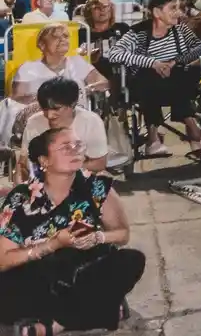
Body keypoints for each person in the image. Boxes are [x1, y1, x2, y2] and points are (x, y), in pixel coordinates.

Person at [0, 127, 146, 334]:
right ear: (44, 160)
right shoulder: (20, 198)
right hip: (42, 274)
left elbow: (122, 234)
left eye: (78, 145)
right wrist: (53, 244)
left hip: (84, 270)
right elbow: (3, 260)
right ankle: (102, 309)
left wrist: (98, 237)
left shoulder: (97, 186)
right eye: (65, 147)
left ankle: (57, 324)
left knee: (131, 260)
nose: (75, 150)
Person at [105, 0, 201, 160]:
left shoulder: (180, 30)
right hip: (147, 85)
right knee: (149, 76)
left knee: (183, 73)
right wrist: (152, 63)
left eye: (179, 8)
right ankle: (192, 133)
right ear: (157, 12)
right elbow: (114, 54)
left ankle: (161, 138)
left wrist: (174, 62)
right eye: (173, 8)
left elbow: (199, 48)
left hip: (176, 83)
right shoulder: (138, 32)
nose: (178, 13)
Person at [12, 77, 110, 182]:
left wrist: (63, 167)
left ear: (72, 104)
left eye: (56, 109)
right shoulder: (34, 122)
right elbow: (23, 162)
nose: (49, 115)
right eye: (45, 109)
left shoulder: (91, 122)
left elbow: (100, 163)